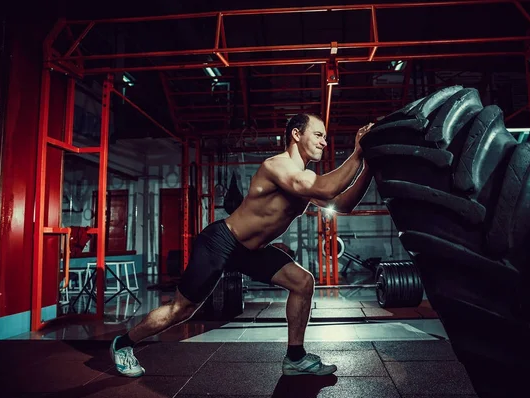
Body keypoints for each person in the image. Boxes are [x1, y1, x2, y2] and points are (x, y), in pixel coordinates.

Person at [110, 113, 375, 378]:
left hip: (250, 252)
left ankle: (295, 358)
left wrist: (369, 167)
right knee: (182, 310)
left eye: (325, 138)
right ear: (296, 134)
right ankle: (123, 343)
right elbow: (327, 189)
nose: (324, 143)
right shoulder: (278, 166)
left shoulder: (305, 179)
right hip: (222, 241)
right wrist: (358, 153)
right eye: (318, 135)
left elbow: (343, 204)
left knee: (302, 282)